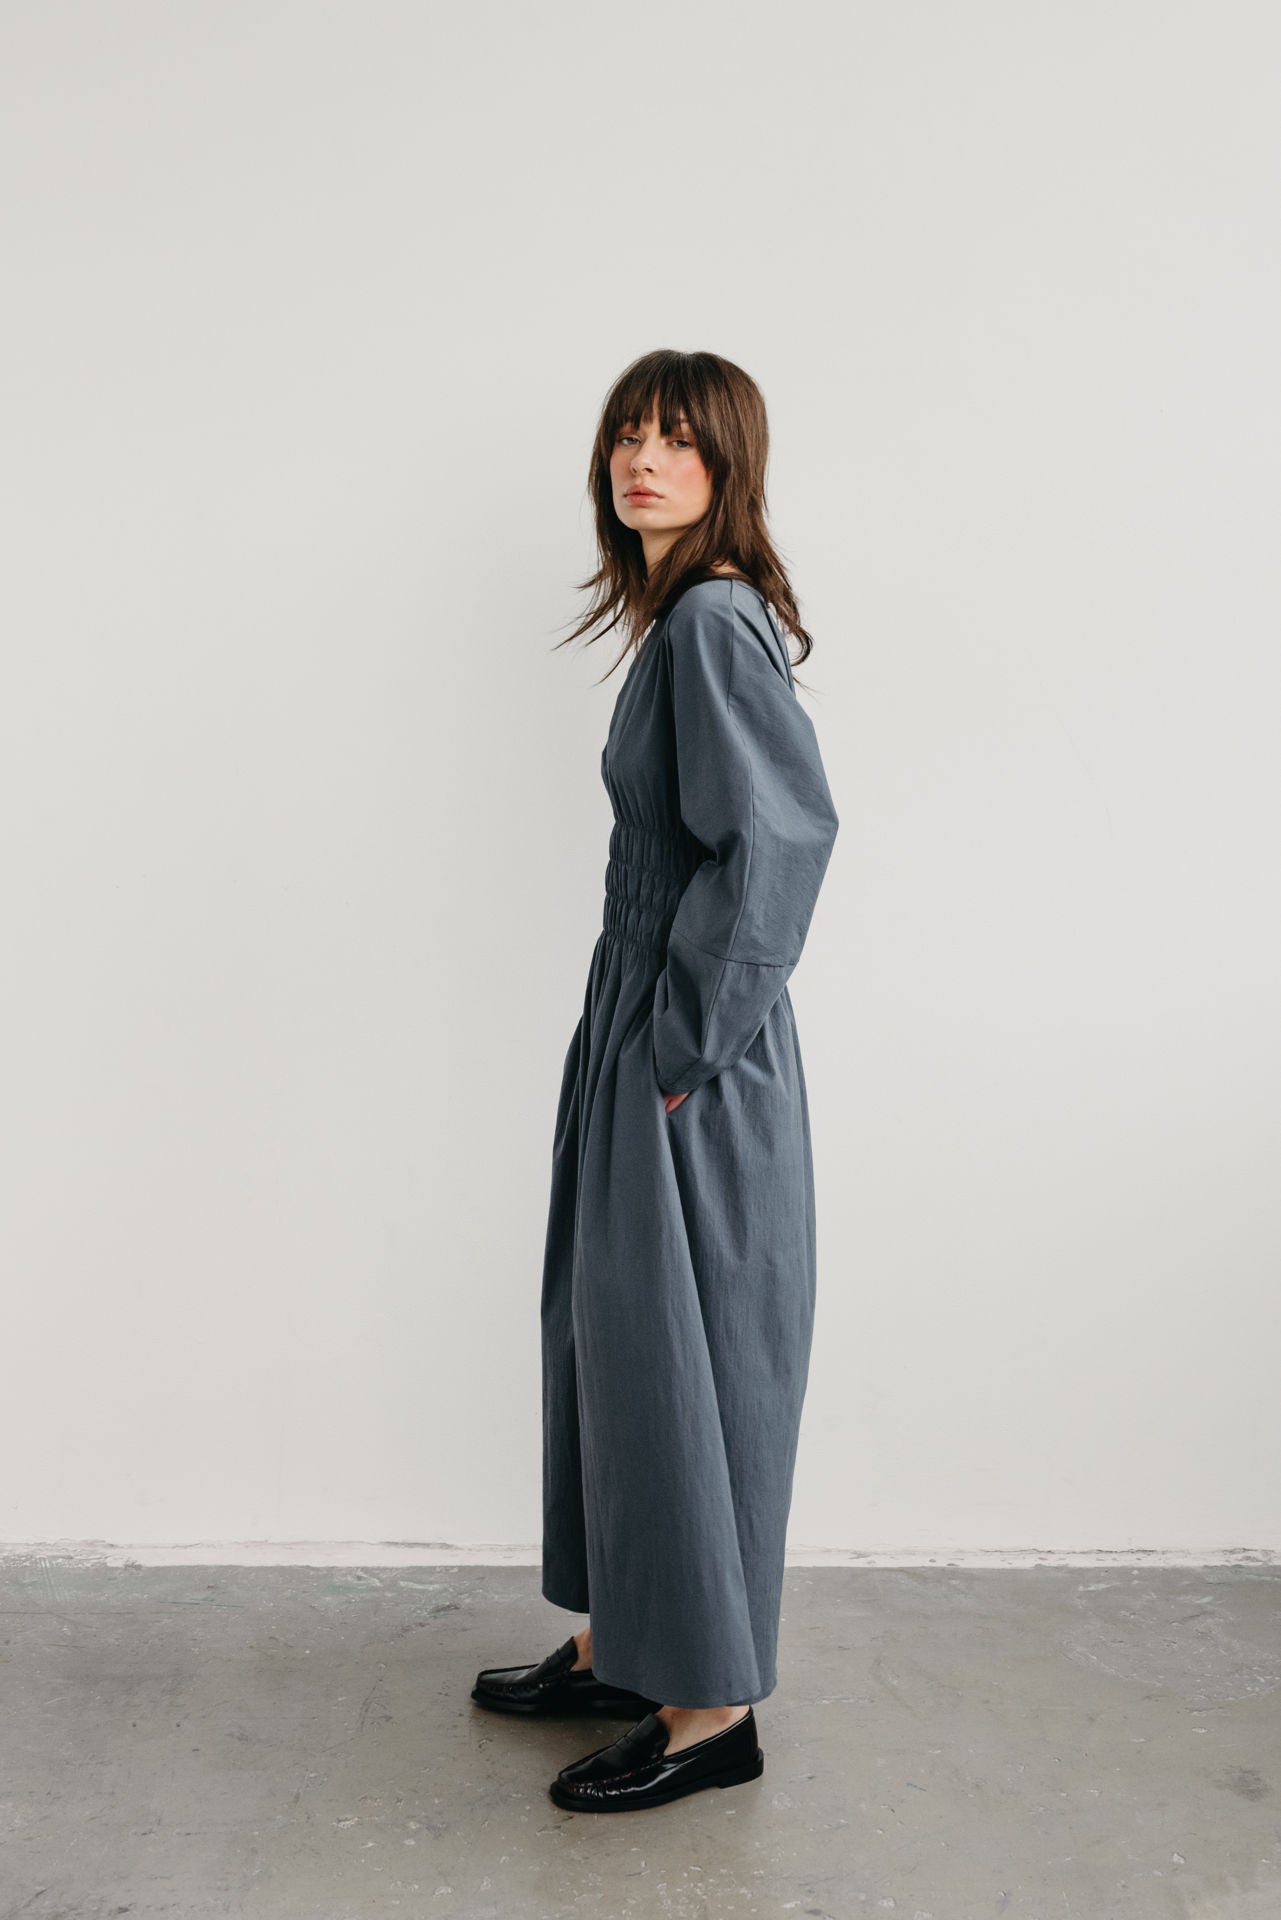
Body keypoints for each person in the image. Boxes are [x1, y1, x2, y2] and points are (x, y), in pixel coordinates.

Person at [472, 349, 841, 1812]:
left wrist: (684, 1045)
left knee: (687, 1364)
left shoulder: (710, 622)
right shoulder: (675, 618)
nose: (643, 460)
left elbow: (782, 844)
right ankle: (621, 1640)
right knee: (612, 1342)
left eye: (678, 440)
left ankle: (708, 1709)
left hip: (691, 1040)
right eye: (628, 436)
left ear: (726, 463)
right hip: (635, 1009)